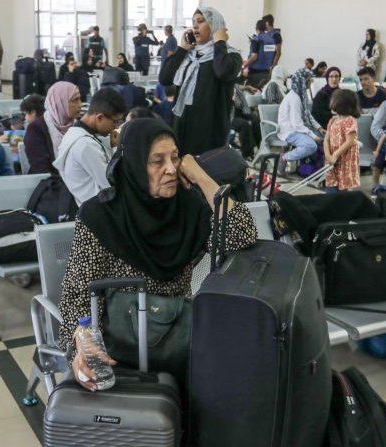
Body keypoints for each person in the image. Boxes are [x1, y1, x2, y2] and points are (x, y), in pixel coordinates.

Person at [58, 118, 257, 391]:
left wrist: (201, 176)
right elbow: (77, 293)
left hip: (177, 340)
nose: (170, 169)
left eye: (175, 158)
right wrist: (82, 341)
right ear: (135, 165)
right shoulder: (101, 216)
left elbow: (242, 235)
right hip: (120, 353)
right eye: (157, 161)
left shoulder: (189, 208)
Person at [159, 7, 242, 156]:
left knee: (203, 173)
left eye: (201, 21)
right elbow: (164, 78)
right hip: (181, 124)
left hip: (209, 130)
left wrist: (219, 42)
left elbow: (222, 71)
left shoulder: (231, 56)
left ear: (215, 26)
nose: (195, 26)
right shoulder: (188, 55)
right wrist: (182, 48)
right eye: (193, 22)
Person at [53, 88, 127, 205]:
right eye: (115, 122)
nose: (115, 127)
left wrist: (110, 145)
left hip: (90, 206)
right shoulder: (85, 144)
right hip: (99, 212)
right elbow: (111, 182)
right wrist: (115, 149)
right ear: (99, 118)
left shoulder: (73, 133)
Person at [25, 82, 82, 175]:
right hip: (52, 184)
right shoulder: (36, 129)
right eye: (75, 100)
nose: (80, 104)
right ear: (60, 102)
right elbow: (41, 168)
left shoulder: (79, 126)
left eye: (80, 99)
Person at [278, 68, 324, 169]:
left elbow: (307, 115)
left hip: (299, 129)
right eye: (309, 80)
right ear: (302, 81)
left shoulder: (301, 95)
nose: (311, 82)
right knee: (311, 146)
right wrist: (313, 136)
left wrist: (318, 128)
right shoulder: (294, 98)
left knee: (326, 138)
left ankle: (315, 167)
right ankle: (284, 157)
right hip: (290, 131)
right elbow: (296, 124)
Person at [324, 89, 361, 190]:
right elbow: (326, 139)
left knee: (344, 185)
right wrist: (328, 155)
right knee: (332, 184)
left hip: (345, 157)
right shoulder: (332, 120)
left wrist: (335, 154)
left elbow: (350, 141)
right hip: (332, 157)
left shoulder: (350, 120)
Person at [245, 19, 275, 88]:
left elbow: (254, 56)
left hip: (255, 74)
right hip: (266, 74)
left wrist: (244, 66)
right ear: (266, 28)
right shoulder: (271, 40)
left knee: (252, 95)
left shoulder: (256, 39)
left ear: (256, 28)